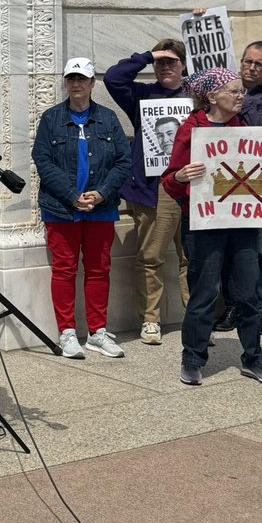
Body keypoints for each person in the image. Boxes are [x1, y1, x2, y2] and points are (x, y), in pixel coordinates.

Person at [162, 68, 262, 388]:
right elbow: (170, 180)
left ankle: (254, 358)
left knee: (248, 294)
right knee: (205, 293)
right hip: (204, 226)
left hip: (244, 224)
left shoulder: (247, 128)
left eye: (242, 92)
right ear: (212, 97)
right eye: (234, 92)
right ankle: (193, 358)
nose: (241, 97)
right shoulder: (191, 130)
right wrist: (181, 178)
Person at [31, 57, 131, 359]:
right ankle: (68, 332)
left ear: (92, 83)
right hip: (62, 208)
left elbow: (123, 161)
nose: (76, 84)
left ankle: (98, 332)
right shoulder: (51, 119)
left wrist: (100, 193)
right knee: (64, 269)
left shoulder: (109, 119)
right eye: (71, 79)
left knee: (99, 269)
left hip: (102, 207)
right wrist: (73, 195)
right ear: (66, 82)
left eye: (82, 79)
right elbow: (43, 161)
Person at [105, 37, 191, 345]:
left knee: (191, 257)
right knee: (151, 257)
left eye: (172, 61)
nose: (166, 67)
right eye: (160, 62)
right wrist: (147, 55)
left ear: (184, 64)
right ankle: (151, 319)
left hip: (194, 187)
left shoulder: (197, 94)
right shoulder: (143, 95)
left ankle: (195, 318)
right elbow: (114, 78)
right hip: (154, 189)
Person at [217, 40, 262, 337]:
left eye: (259, 64)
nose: (251, 67)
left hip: (261, 186)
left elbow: (259, 125)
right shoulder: (227, 90)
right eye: (247, 61)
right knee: (229, 250)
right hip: (225, 183)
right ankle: (233, 306)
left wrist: (232, 102)